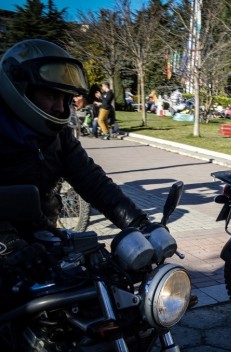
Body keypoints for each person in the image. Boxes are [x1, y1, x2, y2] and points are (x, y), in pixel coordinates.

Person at [0, 39, 153, 252]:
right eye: (52, 95)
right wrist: (8, 244)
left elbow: (92, 180)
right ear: (20, 88)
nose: (59, 107)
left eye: (67, 98)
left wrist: (140, 224)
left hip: (41, 240)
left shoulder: (58, 136)